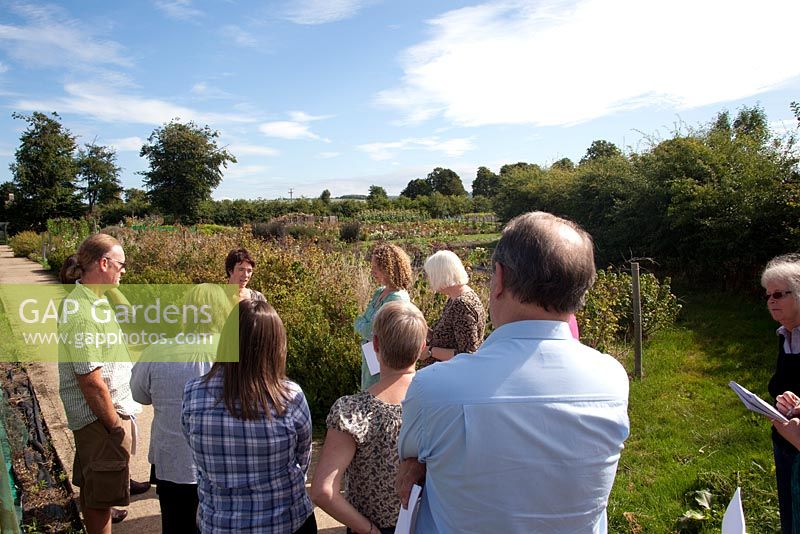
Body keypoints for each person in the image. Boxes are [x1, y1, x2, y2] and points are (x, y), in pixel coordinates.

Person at [396, 211, 630, 533]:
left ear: (499, 279)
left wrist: (419, 463)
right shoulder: (612, 380)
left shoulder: (433, 389)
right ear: (580, 289)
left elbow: (412, 454)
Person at [182, 299, 316, 533]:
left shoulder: (193, 393)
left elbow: (192, 444)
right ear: (276, 346)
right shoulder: (291, 397)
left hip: (218, 523)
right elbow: (302, 458)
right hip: (285, 522)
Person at [311, 301, 427, 534]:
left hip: (371, 528)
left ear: (375, 344)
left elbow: (323, 490)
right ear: (422, 347)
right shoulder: (438, 405)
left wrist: (370, 530)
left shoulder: (352, 410)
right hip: (428, 525)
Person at [58, 234, 141, 534]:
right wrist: (115, 427)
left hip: (101, 419)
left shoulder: (94, 301)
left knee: (97, 492)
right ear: (103, 263)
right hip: (100, 420)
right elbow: (90, 381)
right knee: (100, 498)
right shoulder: (82, 313)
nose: (123, 270)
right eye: (120, 264)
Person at [131, 284, 230, 533]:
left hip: (171, 460)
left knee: (175, 524)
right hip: (223, 461)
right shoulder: (233, 353)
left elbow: (138, 394)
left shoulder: (156, 350)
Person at [760, 254, 800, 533]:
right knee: (789, 511)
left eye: (778, 294)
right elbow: (780, 384)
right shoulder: (785, 335)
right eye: (767, 295)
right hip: (784, 438)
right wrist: (783, 397)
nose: (770, 301)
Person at [354, 244, 413, 390]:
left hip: (383, 361)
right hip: (371, 356)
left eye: (376, 267)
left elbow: (370, 330)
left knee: (376, 396)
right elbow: (365, 324)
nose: (372, 271)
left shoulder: (397, 299)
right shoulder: (380, 292)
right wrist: (363, 324)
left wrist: (361, 324)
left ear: (389, 268)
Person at [419, 250, 486, 366]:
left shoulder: (462, 304)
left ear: (440, 275)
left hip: (452, 377)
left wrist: (430, 351)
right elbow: (448, 338)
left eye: (430, 275)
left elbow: (468, 354)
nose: (428, 280)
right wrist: (422, 327)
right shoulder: (456, 298)